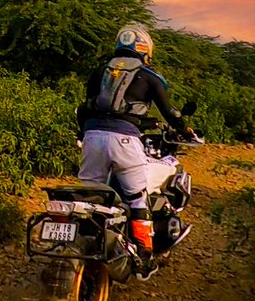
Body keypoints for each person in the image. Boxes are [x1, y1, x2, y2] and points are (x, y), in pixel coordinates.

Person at [75, 22, 192, 281]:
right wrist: (185, 129)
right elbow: (170, 113)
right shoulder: (149, 76)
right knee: (137, 199)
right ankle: (144, 256)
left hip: (92, 138)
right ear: (144, 49)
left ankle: (83, 240)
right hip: (125, 141)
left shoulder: (99, 72)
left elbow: (85, 108)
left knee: (90, 197)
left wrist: (84, 134)